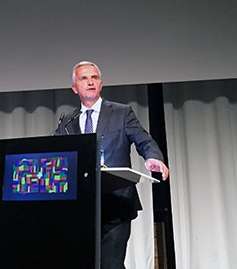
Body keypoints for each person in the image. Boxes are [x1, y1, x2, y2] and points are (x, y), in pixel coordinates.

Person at [53, 61, 169, 269]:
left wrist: (154, 157)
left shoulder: (121, 112)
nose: (90, 82)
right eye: (83, 78)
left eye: (94, 78)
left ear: (101, 84)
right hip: (82, 206)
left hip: (117, 201)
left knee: (111, 265)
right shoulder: (68, 120)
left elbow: (144, 140)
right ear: (74, 88)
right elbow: (54, 150)